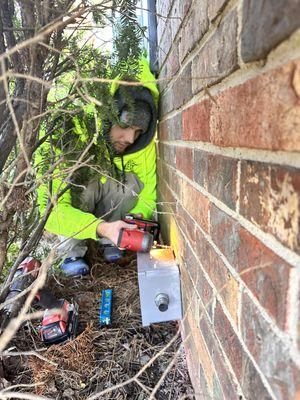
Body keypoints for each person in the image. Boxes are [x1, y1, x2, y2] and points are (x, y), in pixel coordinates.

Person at [37, 59, 159, 276]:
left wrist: (134, 218)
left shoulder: (140, 145)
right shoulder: (66, 131)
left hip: (109, 213)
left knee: (131, 183)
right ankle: (72, 251)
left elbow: (148, 188)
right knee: (80, 184)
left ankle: (110, 241)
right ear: (107, 112)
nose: (131, 138)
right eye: (125, 125)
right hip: (82, 201)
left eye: (138, 131)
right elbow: (52, 212)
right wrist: (100, 227)